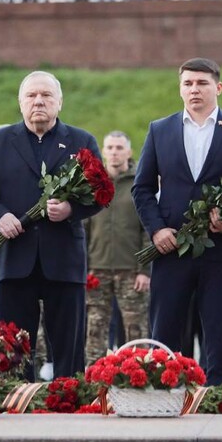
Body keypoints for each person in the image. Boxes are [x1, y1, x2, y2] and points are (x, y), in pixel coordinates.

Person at [132, 58, 222, 385]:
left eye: (202, 83)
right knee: (164, 335)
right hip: (171, 250)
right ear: (180, 89)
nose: (194, 89)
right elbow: (142, 188)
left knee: (221, 338)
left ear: (218, 87)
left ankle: (221, 398)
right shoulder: (159, 130)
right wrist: (157, 229)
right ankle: (162, 398)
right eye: (188, 83)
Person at [0, 71, 104, 380]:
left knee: (68, 346)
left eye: (46, 95)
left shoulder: (81, 141)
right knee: (14, 347)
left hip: (64, 259)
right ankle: (18, 399)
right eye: (31, 96)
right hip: (15, 259)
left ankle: (69, 397)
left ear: (60, 102)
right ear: (20, 103)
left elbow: (100, 193)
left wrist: (71, 209)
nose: (39, 101)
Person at [84, 131, 151, 365]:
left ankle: (139, 375)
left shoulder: (139, 184)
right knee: (95, 329)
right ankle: (93, 377)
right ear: (103, 151)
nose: (114, 152)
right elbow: (83, 230)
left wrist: (145, 270)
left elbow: (148, 231)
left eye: (119, 148)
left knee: (136, 329)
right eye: (110, 147)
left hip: (131, 271)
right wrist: (84, 268)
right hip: (97, 270)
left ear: (129, 152)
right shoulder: (92, 184)